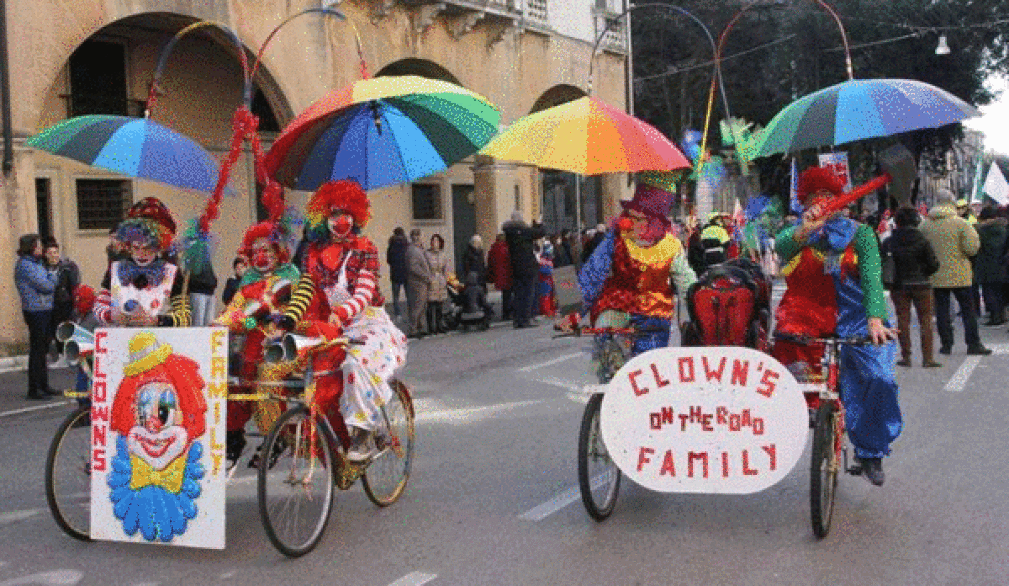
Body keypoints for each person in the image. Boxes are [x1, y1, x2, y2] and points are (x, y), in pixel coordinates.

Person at [771, 166, 900, 486]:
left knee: (878, 378)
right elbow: (780, 249)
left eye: (829, 197)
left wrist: (874, 318)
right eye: (814, 199)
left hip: (857, 318)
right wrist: (805, 229)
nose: (822, 203)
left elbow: (872, 278)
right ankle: (814, 418)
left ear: (841, 201)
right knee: (792, 376)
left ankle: (870, 451)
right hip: (808, 317)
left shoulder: (862, 234)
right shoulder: (797, 233)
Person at [279, 180, 407, 462]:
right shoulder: (312, 253)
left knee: (354, 364)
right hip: (332, 323)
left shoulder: (365, 248)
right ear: (324, 218)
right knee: (295, 366)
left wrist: (343, 312)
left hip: (368, 323)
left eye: (347, 214)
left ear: (357, 217)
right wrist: (289, 317)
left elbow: (364, 291)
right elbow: (306, 289)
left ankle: (361, 433)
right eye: (335, 214)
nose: (342, 221)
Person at [578, 182, 697, 371]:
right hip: (617, 306)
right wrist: (575, 310)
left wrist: (698, 308)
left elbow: (686, 281)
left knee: (649, 368)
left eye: (642, 218)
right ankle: (611, 383)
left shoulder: (671, 245)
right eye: (633, 216)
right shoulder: (617, 238)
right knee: (605, 342)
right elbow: (593, 273)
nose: (635, 222)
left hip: (654, 313)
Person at [214, 221, 300, 466]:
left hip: (283, 345)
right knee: (232, 383)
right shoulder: (247, 285)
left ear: (278, 252)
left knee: (266, 381)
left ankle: (274, 435)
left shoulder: (292, 278)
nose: (262, 257)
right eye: (256, 252)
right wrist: (222, 323)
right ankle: (233, 437)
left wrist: (279, 322)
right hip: (252, 347)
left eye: (268, 251)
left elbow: (300, 311)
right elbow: (236, 314)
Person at [93, 197, 191, 328]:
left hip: (160, 344)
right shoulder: (116, 269)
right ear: (128, 245)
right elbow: (99, 305)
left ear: (158, 247)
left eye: (147, 248)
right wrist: (110, 315)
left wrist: (156, 321)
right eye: (136, 247)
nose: (141, 254)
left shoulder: (172, 273)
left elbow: (186, 318)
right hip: (120, 341)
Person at [919, 189, 990, 356]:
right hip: (960, 274)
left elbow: (920, 249)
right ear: (952, 202)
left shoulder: (925, 225)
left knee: (942, 310)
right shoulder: (961, 224)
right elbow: (972, 249)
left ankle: (946, 345)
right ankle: (973, 344)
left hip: (936, 274)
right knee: (968, 310)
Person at [881, 207, 941, 368]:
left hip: (899, 286)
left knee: (902, 320)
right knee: (926, 320)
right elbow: (934, 264)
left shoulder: (889, 242)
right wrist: (924, 273)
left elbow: (883, 264)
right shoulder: (922, 240)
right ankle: (928, 358)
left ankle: (906, 356)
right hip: (922, 284)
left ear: (897, 222)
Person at [14, 233, 59, 400]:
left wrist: (49, 274)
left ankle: (44, 384)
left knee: (43, 349)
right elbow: (47, 286)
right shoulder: (26, 265)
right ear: (31, 247)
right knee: (37, 350)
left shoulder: (37, 264)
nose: (41, 249)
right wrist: (52, 272)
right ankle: (34, 388)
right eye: (38, 246)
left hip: (45, 309)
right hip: (35, 311)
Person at [502, 211, 544, 328]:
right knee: (528, 294)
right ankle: (526, 318)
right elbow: (540, 233)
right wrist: (539, 224)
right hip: (528, 266)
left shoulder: (509, 233)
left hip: (515, 266)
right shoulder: (524, 231)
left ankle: (518, 319)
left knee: (518, 294)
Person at [42, 237, 79, 355]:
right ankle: (57, 353)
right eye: (50, 253)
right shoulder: (43, 268)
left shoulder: (67, 267)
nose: (54, 256)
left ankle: (66, 353)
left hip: (64, 302)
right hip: (49, 303)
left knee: (65, 328)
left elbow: (74, 284)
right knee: (52, 329)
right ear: (46, 255)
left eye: (55, 252)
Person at [974, 206, 1006, 326]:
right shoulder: (1004, 229)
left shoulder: (980, 231)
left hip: (986, 265)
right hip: (1001, 264)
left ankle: (994, 317)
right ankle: (1001, 315)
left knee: (989, 292)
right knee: (999, 292)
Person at [405, 228, 432, 338]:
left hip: (420, 283)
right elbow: (413, 267)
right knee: (417, 306)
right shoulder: (413, 250)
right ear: (417, 237)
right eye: (421, 236)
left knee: (421, 306)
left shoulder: (417, 249)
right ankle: (413, 329)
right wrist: (425, 275)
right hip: (417, 283)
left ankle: (420, 327)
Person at [425, 233, 449, 334]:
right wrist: (428, 279)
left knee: (440, 306)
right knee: (431, 306)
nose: (434, 243)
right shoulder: (427, 254)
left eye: (436, 241)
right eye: (433, 241)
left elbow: (445, 268)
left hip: (440, 281)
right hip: (431, 280)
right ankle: (431, 327)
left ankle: (439, 325)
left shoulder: (443, 254)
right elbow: (425, 268)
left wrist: (445, 279)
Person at [186, 255, 217, 327]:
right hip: (198, 291)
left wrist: (213, 282)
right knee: (198, 322)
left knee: (209, 322)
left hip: (209, 291)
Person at [486, 233, 512, 321]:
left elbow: (490, 261)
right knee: (508, 294)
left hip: (498, 274)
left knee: (505, 294)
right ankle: (508, 313)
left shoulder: (494, 248)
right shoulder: (507, 248)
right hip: (507, 274)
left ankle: (505, 313)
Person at [386, 227, 409, 318]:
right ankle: (410, 312)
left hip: (395, 273)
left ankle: (397, 313)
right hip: (405, 272)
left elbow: (388, 260)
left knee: (396, 296)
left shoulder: (391, 245)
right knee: (408, 294)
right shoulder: (406, 244)